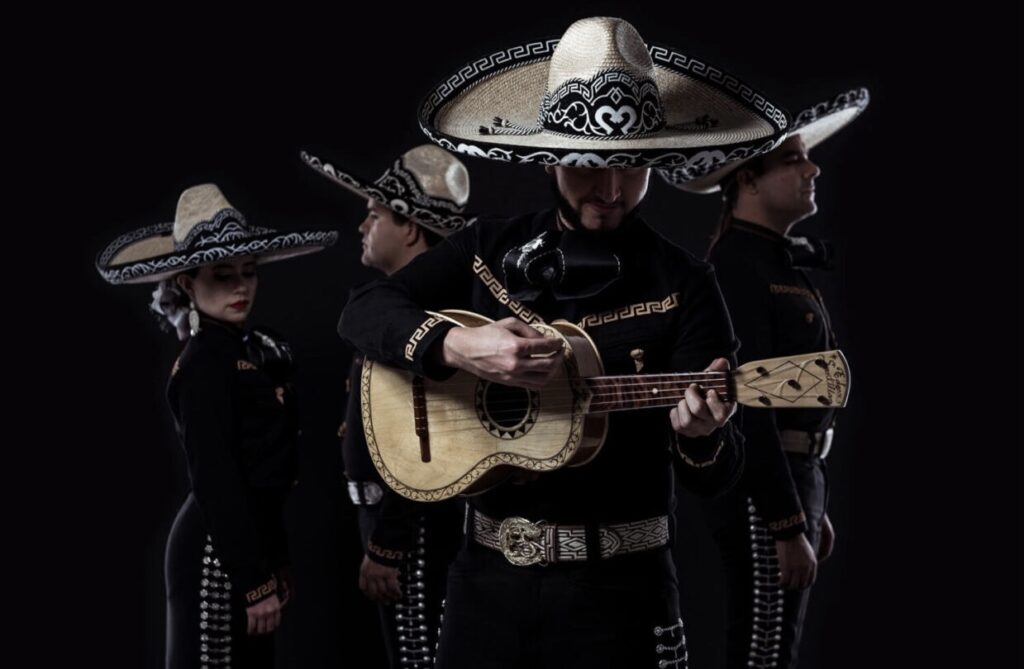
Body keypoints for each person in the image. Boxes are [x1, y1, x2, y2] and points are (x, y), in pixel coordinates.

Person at [339, 17, 790, 669]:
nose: (610, 191)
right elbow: (363, 310)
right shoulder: (486, 248)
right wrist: (461, 348)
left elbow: (718, 477)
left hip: (623, 598)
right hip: (484, 587)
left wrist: (701, 434)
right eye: (588, 165)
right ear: (549, 153)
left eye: (630, 167)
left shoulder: (686, 284)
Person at [660, 87, 869, 668]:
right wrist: (784, 522)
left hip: (795, 475)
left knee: (776, 650)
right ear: (747, 180)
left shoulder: (773, 259)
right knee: (761, 653)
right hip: (761, 487)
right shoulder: (735, 265)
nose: (813, 167)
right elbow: (747, 405)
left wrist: (808, 503)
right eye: (793, 158)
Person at [96, 183, 337, 668]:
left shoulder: (243, 350)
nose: (241, 287)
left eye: (248, 273)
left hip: (247, 542)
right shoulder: (204, 363)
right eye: (222, 275)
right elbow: (218, 480)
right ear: (187, 283)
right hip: (215, 550)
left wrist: (278, 559)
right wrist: (254, 580)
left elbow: (266, 475)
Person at [302, 145, 473, 668]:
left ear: (410, 229)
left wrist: (389, 545)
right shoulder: (396, 313)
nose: (362, 226)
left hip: (412, 523)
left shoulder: (425, 324)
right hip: (388, 516)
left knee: (421, 654)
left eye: (374, 215)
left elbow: (424, 446)